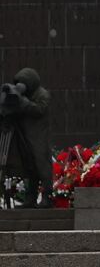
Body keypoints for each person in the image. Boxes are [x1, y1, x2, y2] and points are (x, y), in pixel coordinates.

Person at [0, 68, 53, 207]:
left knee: (42, 167)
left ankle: (47, 196)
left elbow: (39, 110)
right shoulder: (21, 94)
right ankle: (30, 198)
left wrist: (22, 101)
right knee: (29, 168)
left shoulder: (42, 94)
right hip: (23, 136)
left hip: (38, 137)